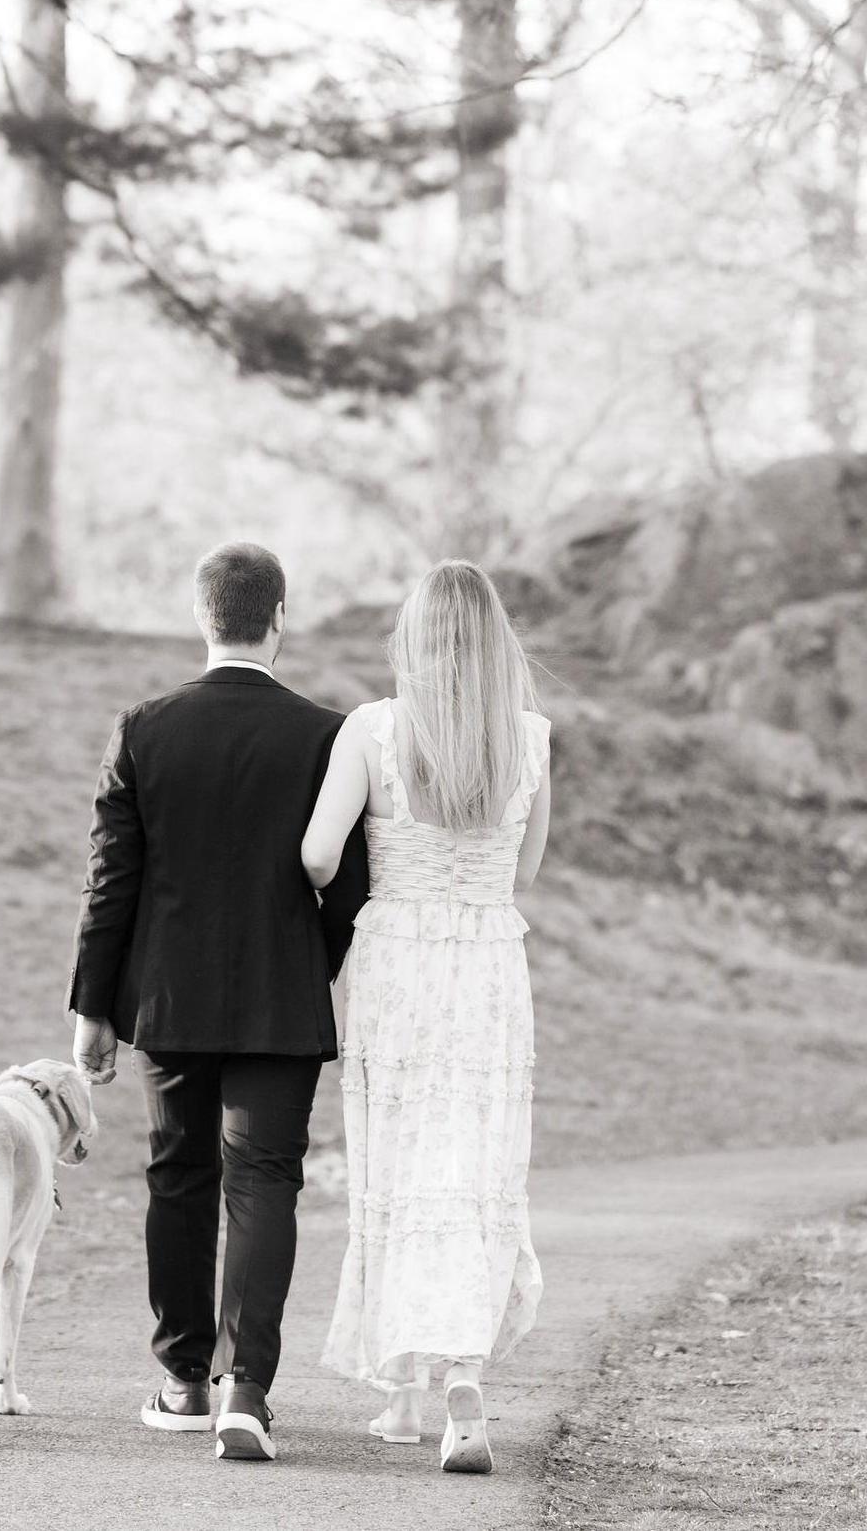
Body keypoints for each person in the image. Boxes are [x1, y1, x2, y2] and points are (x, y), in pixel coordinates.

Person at [68, 541, 369, 1464]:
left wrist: (92, 1008)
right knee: (265, 1179)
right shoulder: (329, 735)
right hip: (282, 1000)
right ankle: (248, 1390)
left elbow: (110, 882)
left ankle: (183, 1380)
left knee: (180, 1174)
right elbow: (350, 885)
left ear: (202, 618)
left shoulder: (143, 729)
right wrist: (310, 965)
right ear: (279, 618)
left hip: (170, 998)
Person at [301, 559, 551, 1476]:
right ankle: (451, 1385)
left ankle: (412, 1391)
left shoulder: (373, 729)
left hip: (397, 962)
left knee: (399, 1167)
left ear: (413, 636)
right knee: (472, 1167)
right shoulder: (528, 737)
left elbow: (318, 856)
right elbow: (526, 870)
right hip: (487, 960)